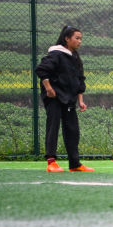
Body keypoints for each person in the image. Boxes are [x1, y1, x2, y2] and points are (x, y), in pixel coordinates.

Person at [37, 24, 93, 173]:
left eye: (81, 38)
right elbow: (42, 70)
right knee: (53, 127)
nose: (80, 41)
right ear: (66, 39)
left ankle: (74, 164)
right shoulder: (56, 54)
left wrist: (80, 100)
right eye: (77, 38)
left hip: (69, 98)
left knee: (72, 129)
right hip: (54, 97)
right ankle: (51, 162)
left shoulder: (75, 57)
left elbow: (79, 80)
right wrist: (48, 88)